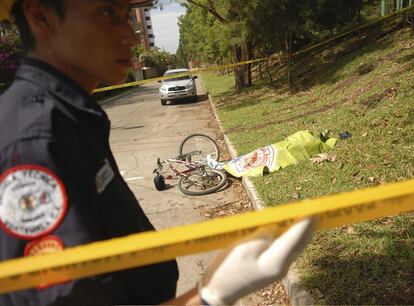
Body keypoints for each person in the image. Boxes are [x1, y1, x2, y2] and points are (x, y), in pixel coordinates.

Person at [0, 1, 315, 305]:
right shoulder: (35, 139)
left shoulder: (68, 116)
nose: (130, 35)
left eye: (126, 14)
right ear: (41, 16)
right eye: (107, 12)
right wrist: (210, 296)